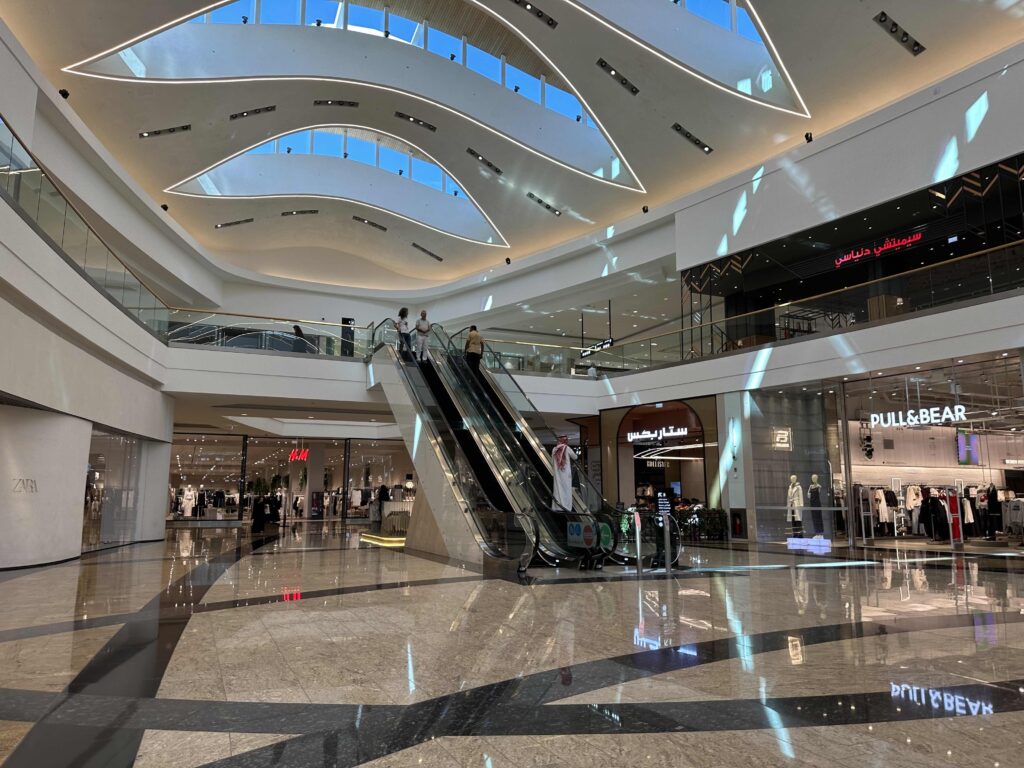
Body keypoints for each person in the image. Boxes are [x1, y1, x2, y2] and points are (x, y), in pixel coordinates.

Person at [551, 435, 576, 511]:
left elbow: (552, 460)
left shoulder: (554, 449)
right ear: (565, 441)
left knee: (557, 489)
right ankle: (566, 507)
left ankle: (557, 506)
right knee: (566, 490)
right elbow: (575, 457)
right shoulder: (567, 448)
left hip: (557, 473)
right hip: (565, 474)